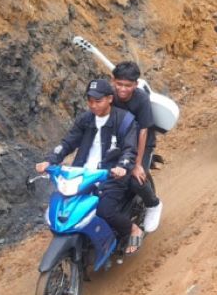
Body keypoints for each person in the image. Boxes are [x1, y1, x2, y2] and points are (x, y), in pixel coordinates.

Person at [36, 79, 142, 252]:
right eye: (90, 101)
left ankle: (132, 229)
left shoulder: (124, 121)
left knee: (104, 210)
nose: (93, 105)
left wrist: (122, 166)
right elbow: (67, 143)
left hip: (111, 175)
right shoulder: (85, 120)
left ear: (109, 99)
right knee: (65, 207)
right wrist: (50, 160)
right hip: (82, 175)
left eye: (98, 101)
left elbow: (130, 150)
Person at [110, 62, 163, 233]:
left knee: (135, 179)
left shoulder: (141, 99)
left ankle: (153, 204)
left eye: (128, 85)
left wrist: (137, 164)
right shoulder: (109, 96)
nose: (123, 89)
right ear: (113, 81)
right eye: (119, 84)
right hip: (118, 141)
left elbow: (143, 132)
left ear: (136, 84)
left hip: (142, 143)